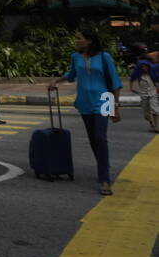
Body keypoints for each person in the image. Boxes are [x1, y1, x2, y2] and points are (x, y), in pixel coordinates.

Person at [49, 26, 122, 195]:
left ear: (89, 40)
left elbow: (115, 82)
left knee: (100, 138)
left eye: (79, 38)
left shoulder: (104, 57)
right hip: (84, 102)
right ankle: (103, 166)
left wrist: (115, 107)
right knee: (93, 139)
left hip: (103, 101)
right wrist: (56, 81)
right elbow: (72, 74)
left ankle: (104, 179)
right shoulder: (75, 57)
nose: (76, 41)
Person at [128, 44, 159, 133]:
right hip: (143, 92)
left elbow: (157, 80)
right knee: (146, 111)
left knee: (155, 109)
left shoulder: (153, 71)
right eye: (142, 67)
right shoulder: (139, 73)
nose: (144, 68)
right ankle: (152, 124)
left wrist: (157, 88)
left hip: (152, 91)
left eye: (145, 67)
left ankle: (157, 127)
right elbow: (132, 79)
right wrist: (131, 88)